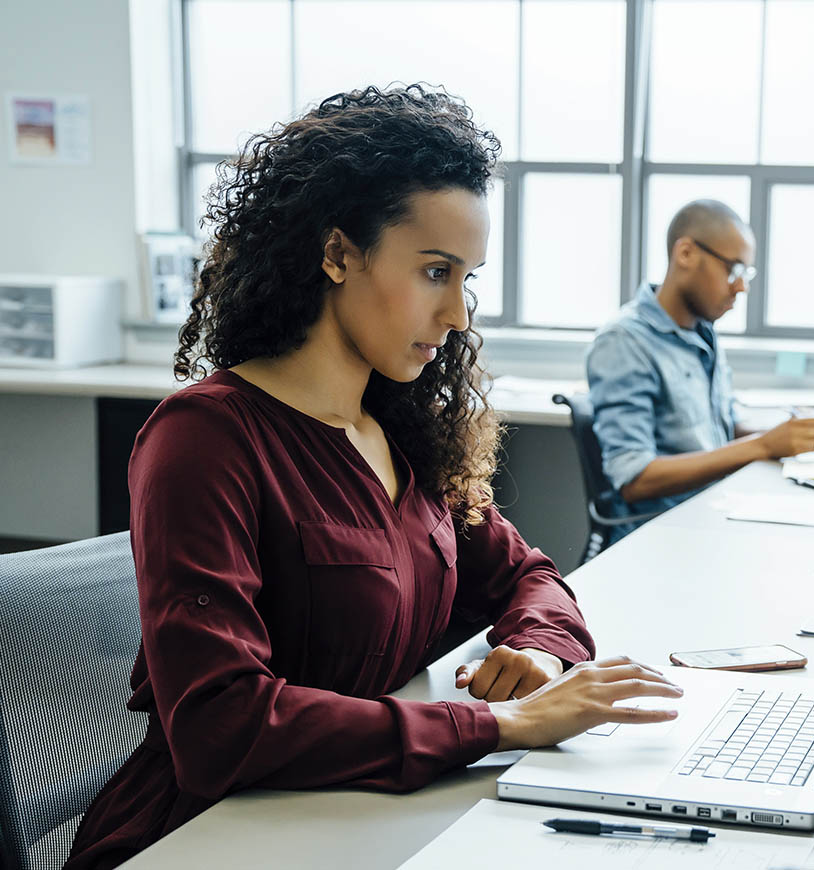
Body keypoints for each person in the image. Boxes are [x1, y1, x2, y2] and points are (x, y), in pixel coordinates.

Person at [66, 86, 682, 869]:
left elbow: (530, 575)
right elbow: (219, 726)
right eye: (434, 271)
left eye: (467, 278)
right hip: (206, 834)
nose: (458, 313)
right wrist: (498, 727)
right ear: (336, 255)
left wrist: (541, 653)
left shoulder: (403, 432)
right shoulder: (206, 438)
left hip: (358, 812)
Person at [587, 199, 814, 535]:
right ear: (686, 254)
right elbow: (634, 478)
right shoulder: (624, 341)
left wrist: (782, 434)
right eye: (734, 269)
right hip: (665, 535)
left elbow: (724, 424)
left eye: (746, 274)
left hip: (715, 512)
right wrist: (763, 445)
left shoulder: (702, 333)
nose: (741, 286)